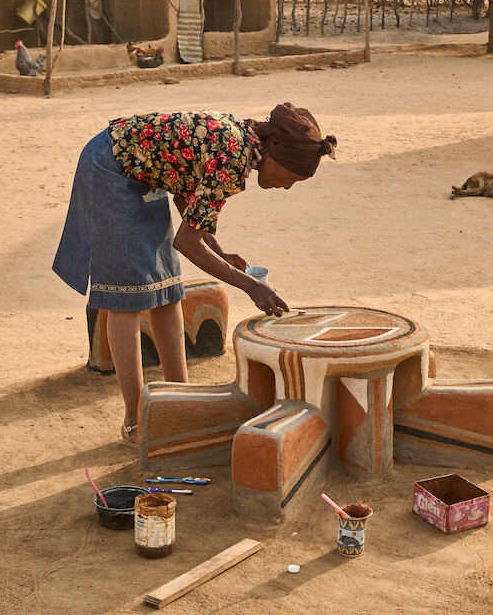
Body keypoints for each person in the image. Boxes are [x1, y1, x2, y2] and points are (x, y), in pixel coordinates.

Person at [52, 103, 337, 444]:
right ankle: (135, 418)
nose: (288, 187)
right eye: (290, 178)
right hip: (111, 167)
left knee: (168, 288)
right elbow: (187, 241)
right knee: (125, 297)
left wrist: (221, 252)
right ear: (277, 156)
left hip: (142, 169)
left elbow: (188, 199)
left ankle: (179, 401)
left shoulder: (241, 147)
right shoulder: (232, 158)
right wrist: (250, 286)